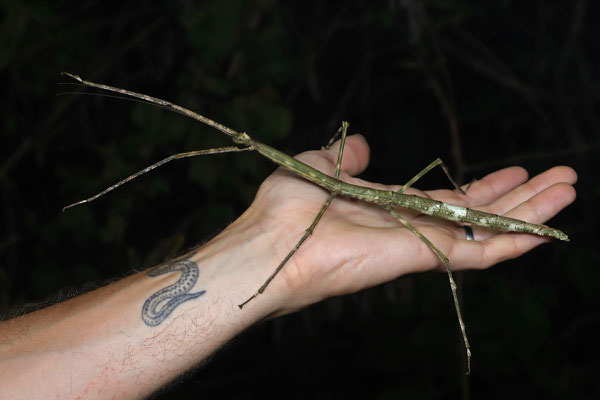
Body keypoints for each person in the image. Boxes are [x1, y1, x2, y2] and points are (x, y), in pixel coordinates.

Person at [0, 134, 577, 398]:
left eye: (248, 143)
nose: (243, 145)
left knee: (436, 241)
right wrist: (266, 250)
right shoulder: (310, 189)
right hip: (409, 206)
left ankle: (465, 335)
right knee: (435, 239)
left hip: (420, 202)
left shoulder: (330, 194)